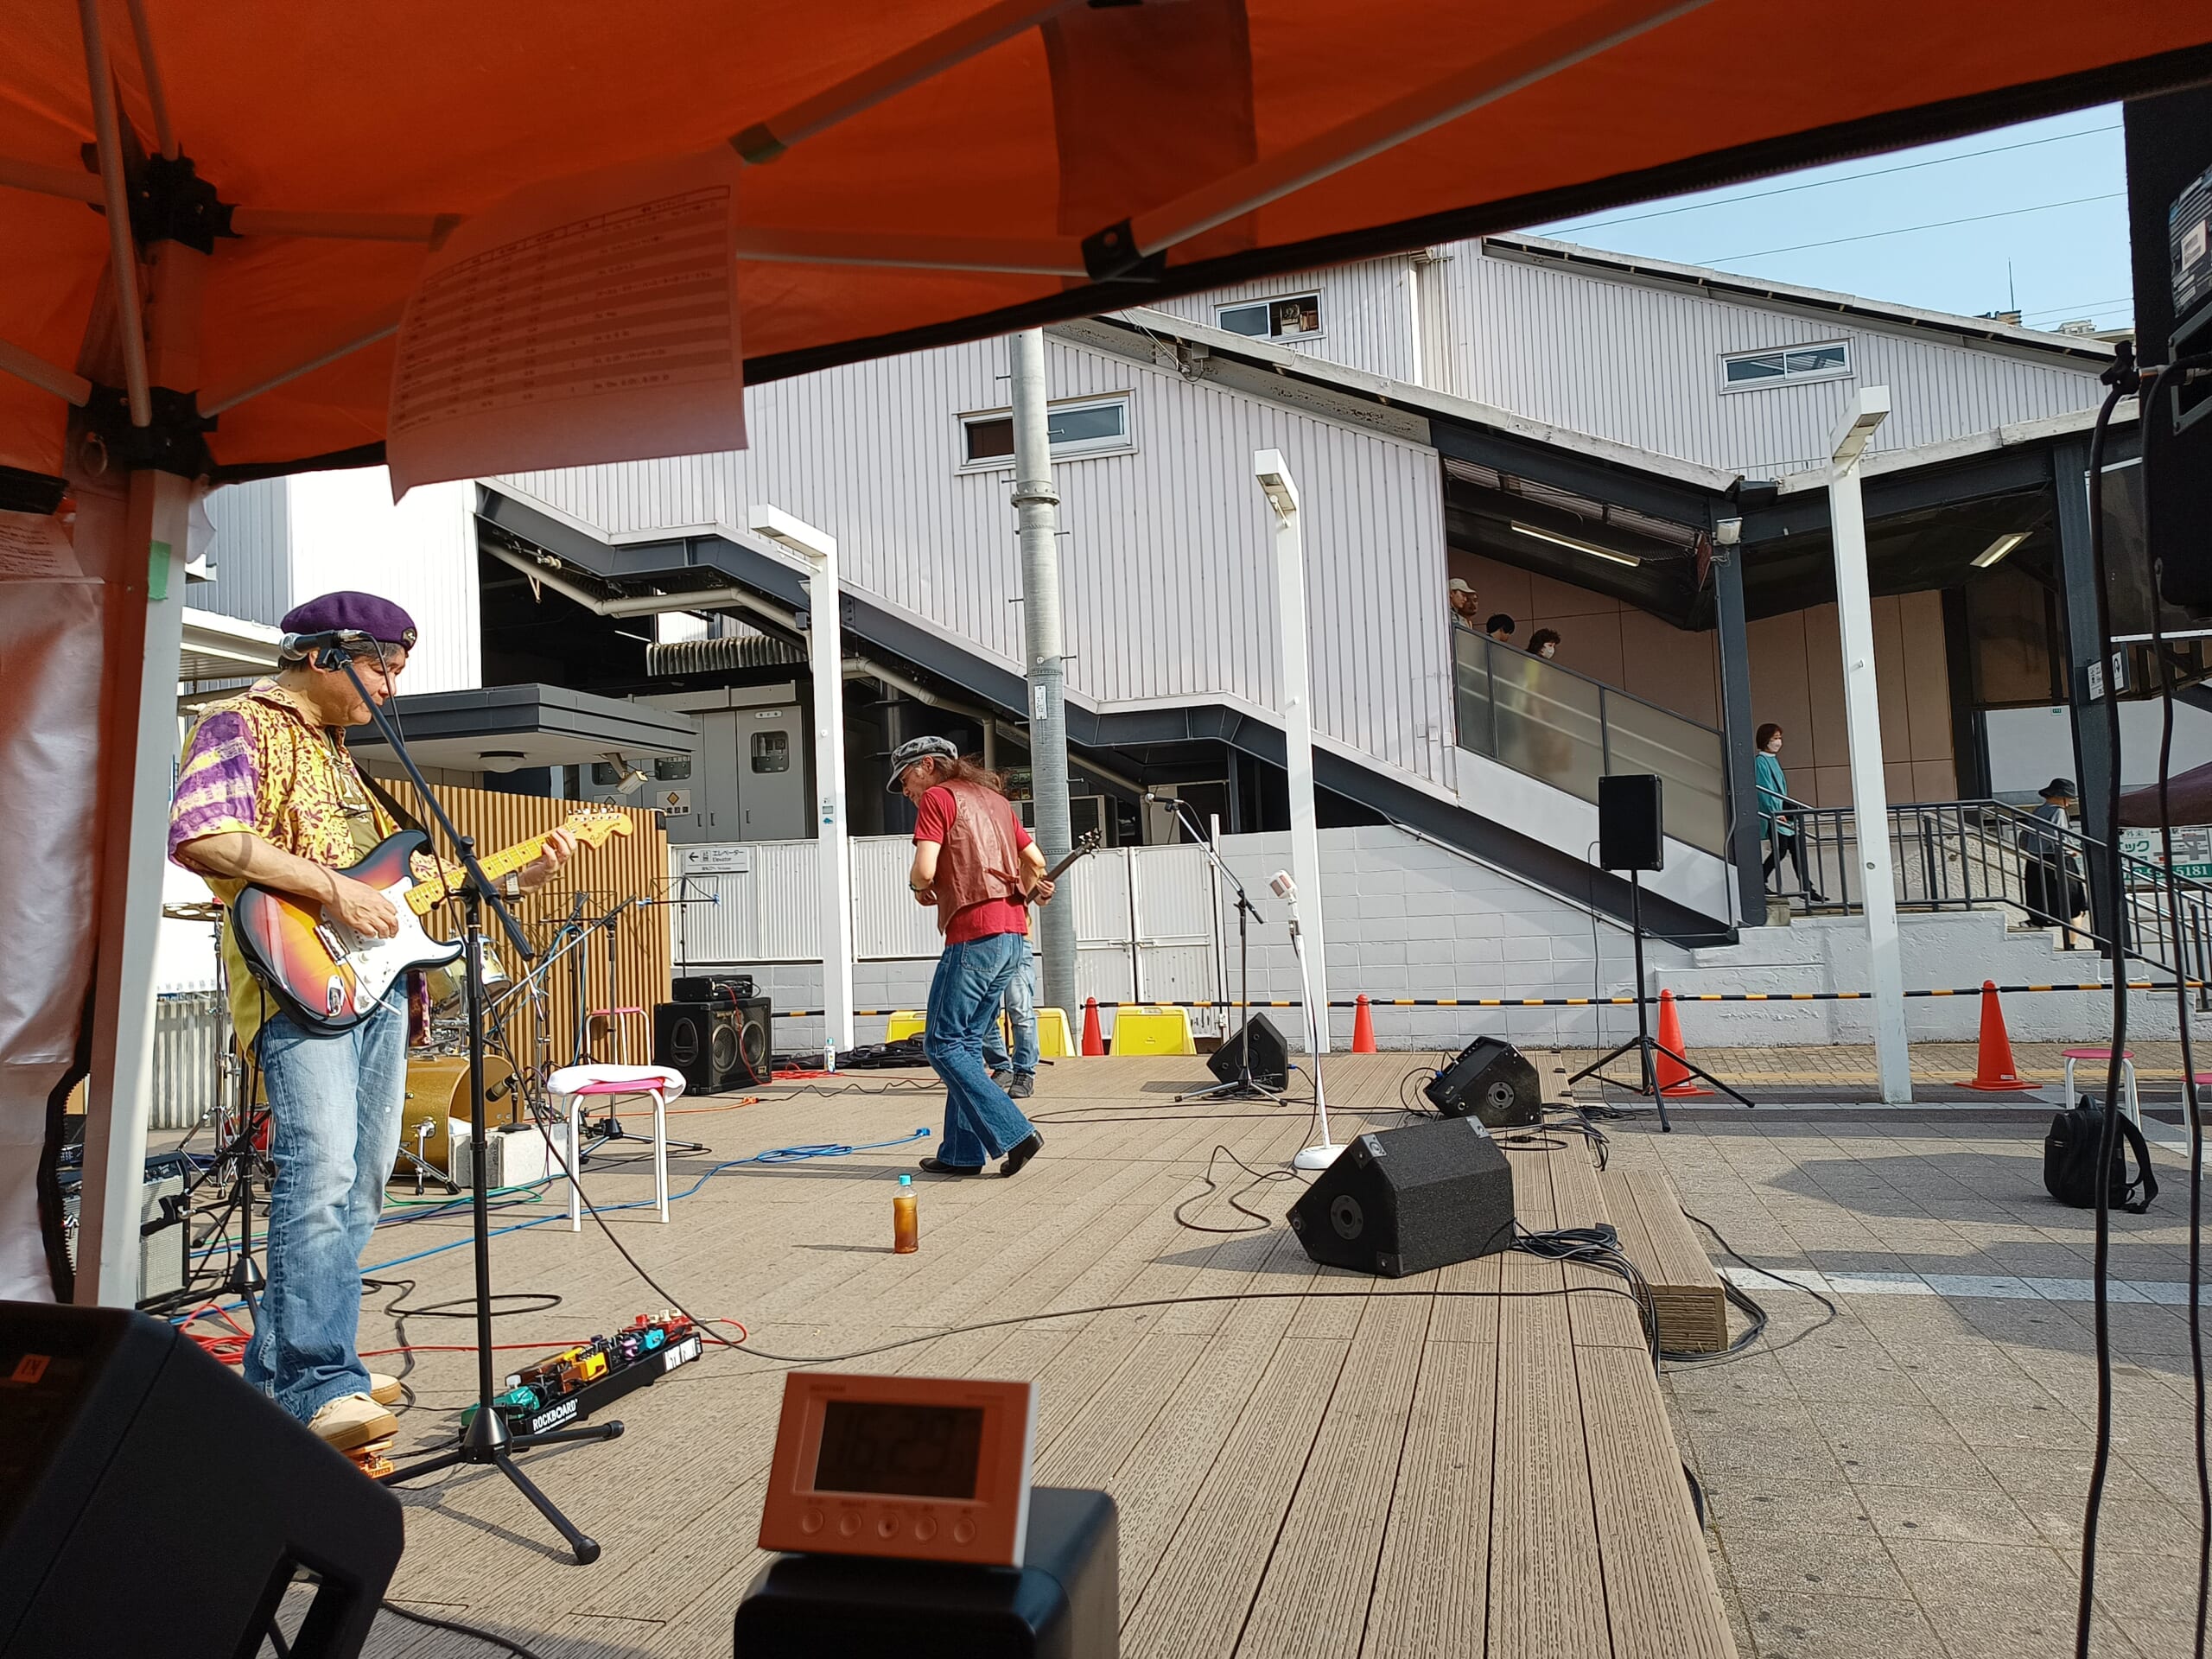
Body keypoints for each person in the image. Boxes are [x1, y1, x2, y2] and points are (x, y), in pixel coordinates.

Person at [168, 593, 577, 1452]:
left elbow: (397, 896)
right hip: (299, 987)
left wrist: (516, 880)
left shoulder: (342, 756)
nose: (391, 689)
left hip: (379, 990)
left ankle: (291, 1371)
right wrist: (332, 889)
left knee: (360, 1185)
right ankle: (320, 1379)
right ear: (325, 656)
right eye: (382, 669)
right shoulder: (239, 723)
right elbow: (203, 835)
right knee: (318, 1176)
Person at [893, 736, 1052, 1177]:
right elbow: (1036, 860)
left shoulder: (938, 798)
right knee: (964, 1044)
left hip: (973, 934)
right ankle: (961, 1153)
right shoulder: (996, 801)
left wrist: (918, 887)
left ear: (927, 765)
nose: (905, 790)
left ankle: (1016, 1133)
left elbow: (924, 869)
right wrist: (1032, 889)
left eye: (905, 779)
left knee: (941, 1043)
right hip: (1013, 936)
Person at [1755, 723, 1824, 903]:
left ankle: (1807, 887)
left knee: (1795, 849)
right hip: (1775, 814)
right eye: (1775, 738)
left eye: (1779, 738)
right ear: (1765, 740)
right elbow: (1765, 789)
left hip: (1782, 813)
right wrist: (1776, 811)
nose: (1778, 742)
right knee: (1781, 850)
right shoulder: (1761, 761)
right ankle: (1760, 880)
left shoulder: (1772, 760)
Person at [2020, 777, 2088, 945]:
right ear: (2060, 796)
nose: (2070, 803)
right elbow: (2058, 837)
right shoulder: (2058, 811)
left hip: (2036, 860)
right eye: (2069, 798)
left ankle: (2036, 922)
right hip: (2058, 861)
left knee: (2041, 898)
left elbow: (2023, 839)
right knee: (2074, 906)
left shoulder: (2038, 811)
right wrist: (2071, 851)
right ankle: (2071, 945)